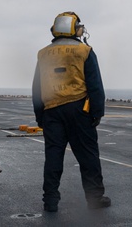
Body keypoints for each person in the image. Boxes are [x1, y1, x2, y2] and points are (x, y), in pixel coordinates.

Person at [32, 11, 109, 213]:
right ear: (74, 29)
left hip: (51, 112)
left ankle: (50, 201)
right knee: (88, 156)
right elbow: (95, 85)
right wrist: (97, 113)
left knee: (53, 157)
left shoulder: (43, 53)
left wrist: (40, 116)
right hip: (79, 110)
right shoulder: (84, 50)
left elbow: (37, 88)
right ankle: (94, 198)